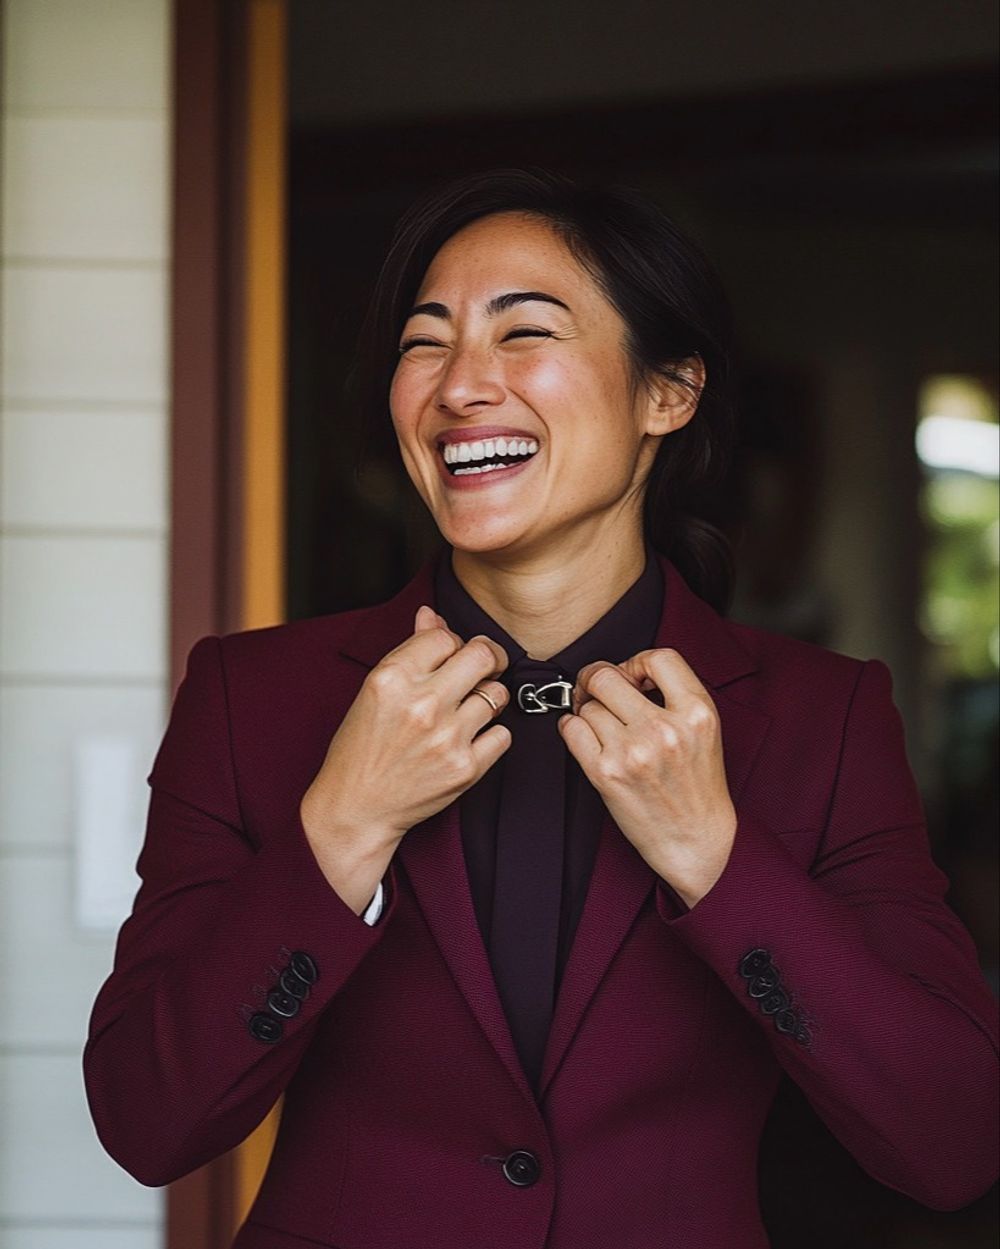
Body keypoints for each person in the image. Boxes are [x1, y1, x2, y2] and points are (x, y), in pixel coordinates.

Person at [84, 169, 998, 1249]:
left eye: (523, 333)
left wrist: (716, 856)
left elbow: (950, 1145)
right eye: (425, 341)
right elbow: (147, 1121)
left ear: (668, 391)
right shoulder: (253, 697)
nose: (460, 385)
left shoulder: (822, 717)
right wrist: (343, 826)